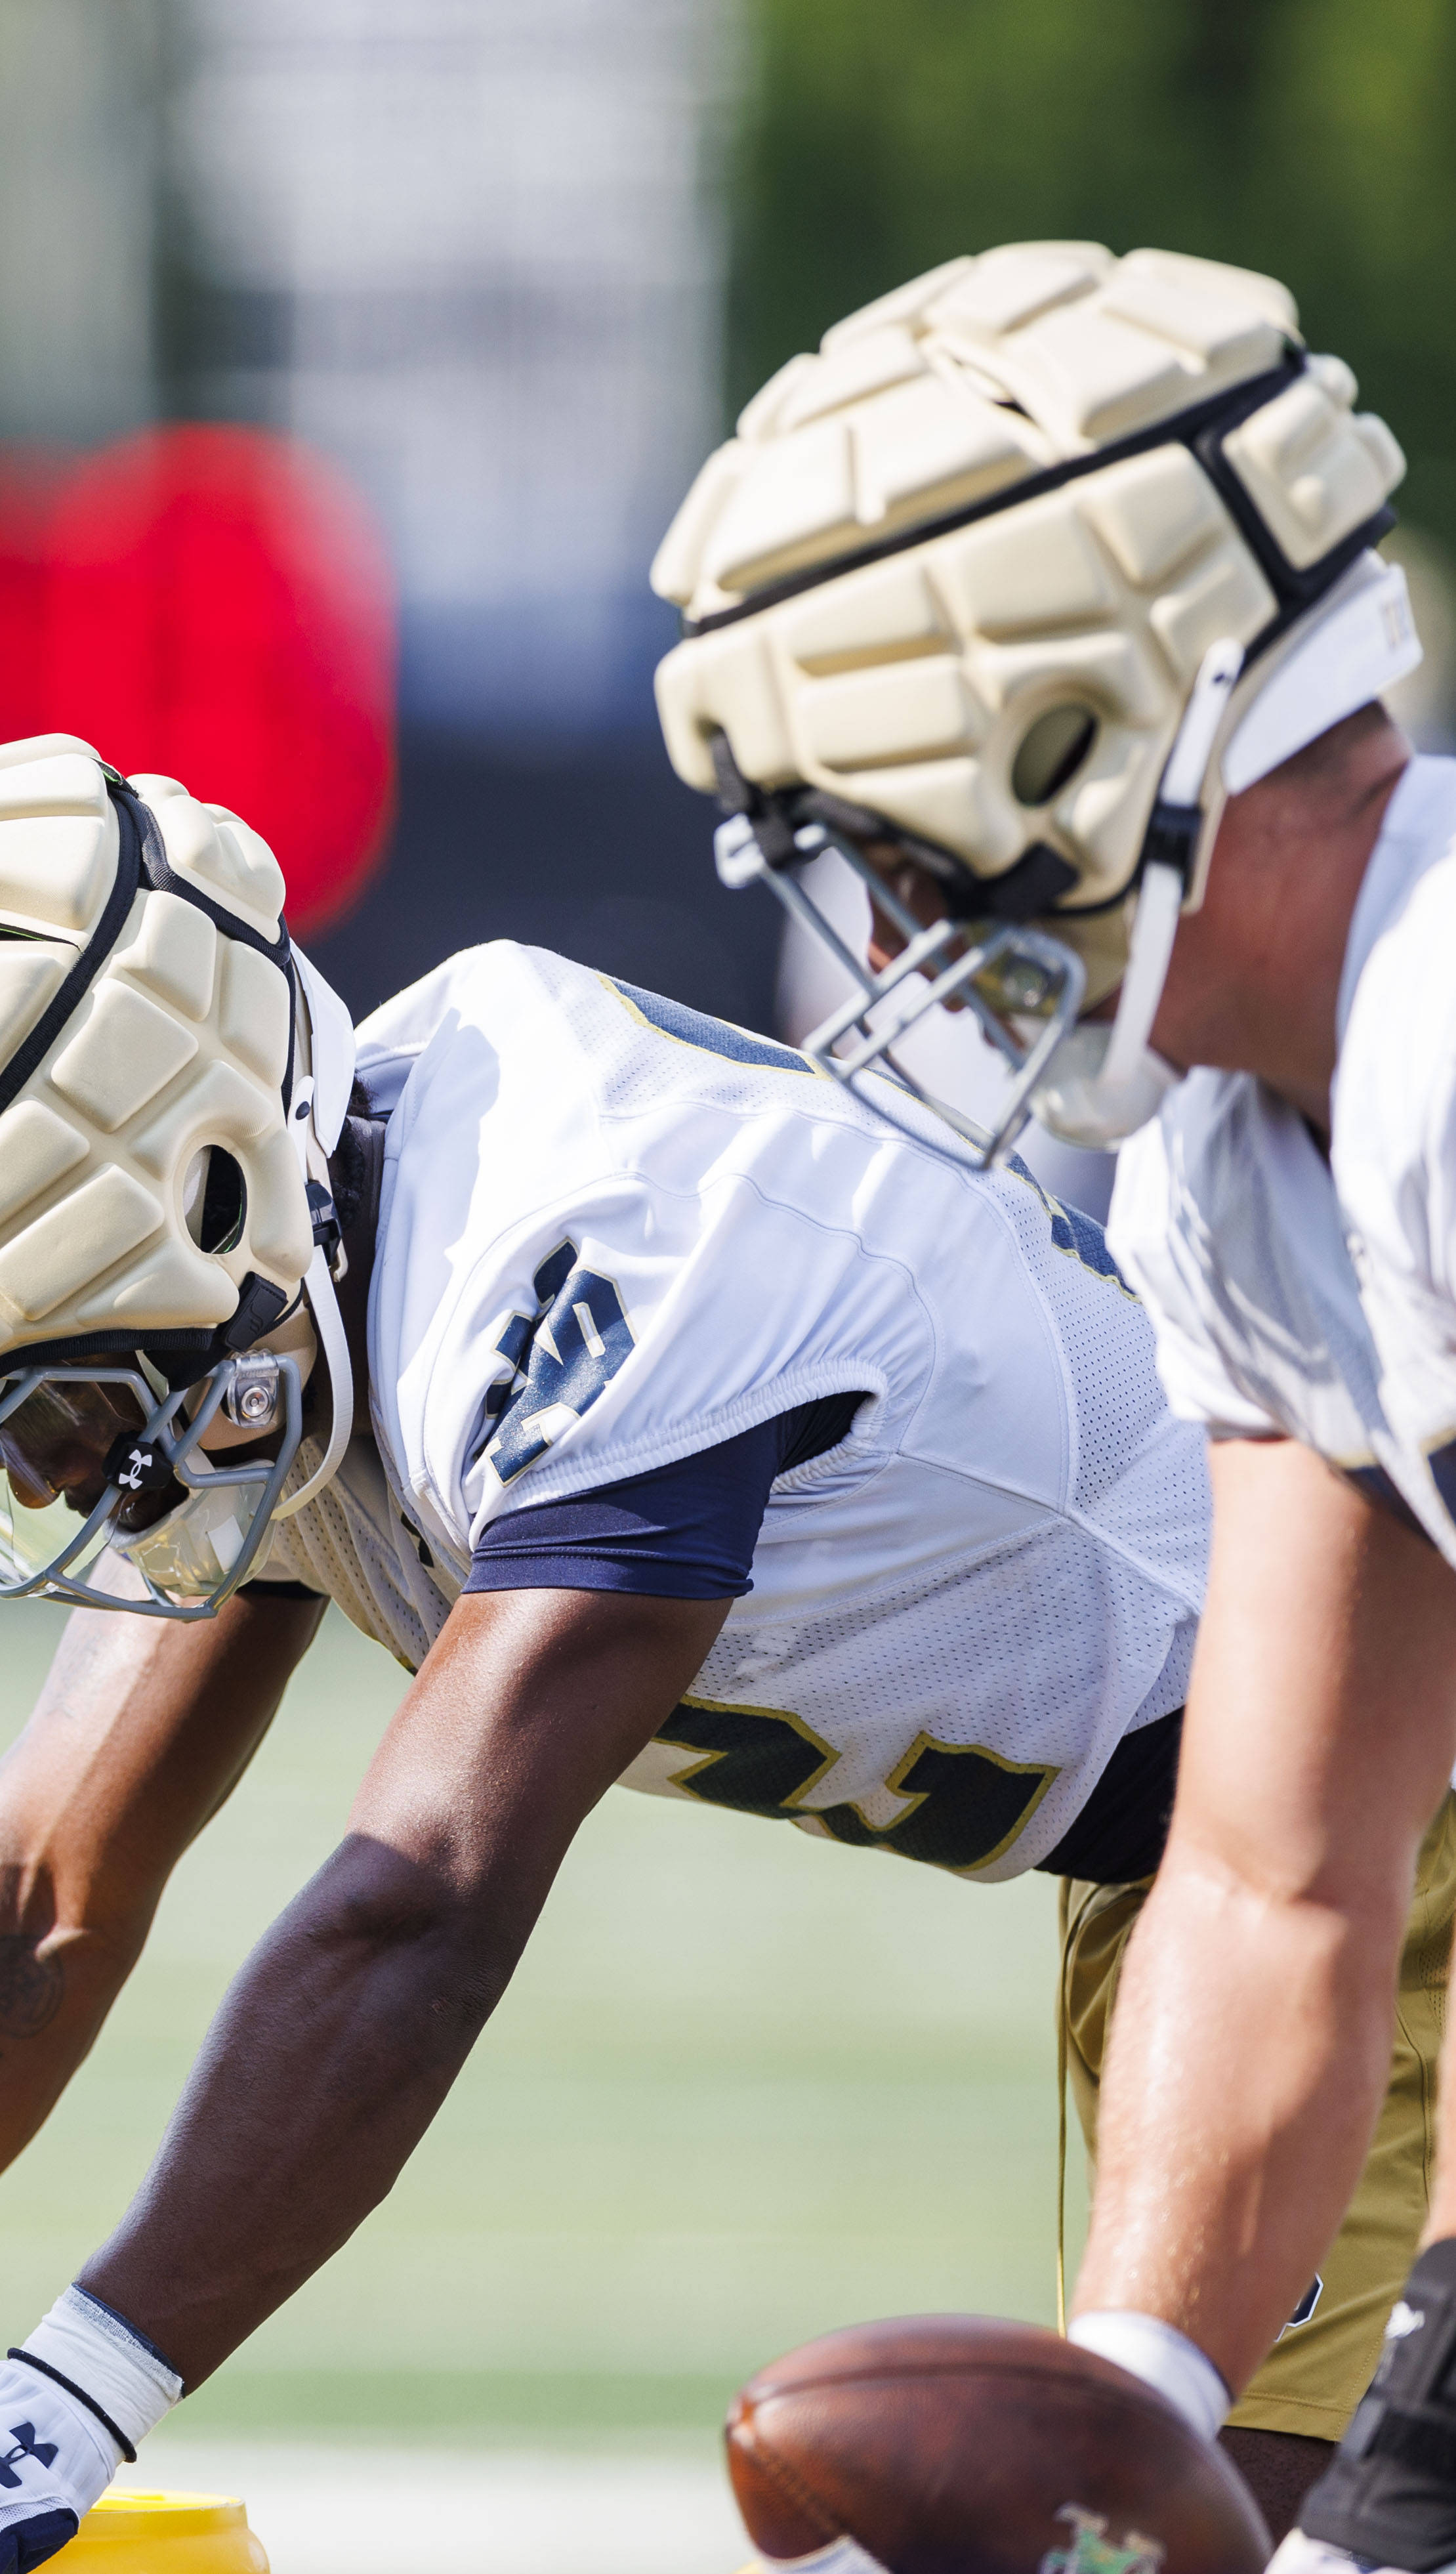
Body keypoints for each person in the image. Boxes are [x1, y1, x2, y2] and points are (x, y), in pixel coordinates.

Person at [0, 730, 1410, 2569]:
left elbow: (420, 1900)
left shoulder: (581, 1231)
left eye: (48, 1405)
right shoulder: (286, 1283)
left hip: (1370, 1789)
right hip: (1208, 1871)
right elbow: (42, 1879)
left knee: (1210, 2538)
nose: (42, 1478)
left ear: (201, 1198)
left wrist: (59, 2406)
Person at [650, 245, 1456, 2569]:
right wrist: (1130, 2419)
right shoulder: (1241, 1150)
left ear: (1075, 750)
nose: (891, 935)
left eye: (889, 846)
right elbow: (1279, 1873)